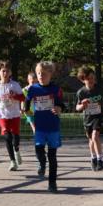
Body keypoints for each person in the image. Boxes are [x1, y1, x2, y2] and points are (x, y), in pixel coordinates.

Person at [24, 61, 66, 192]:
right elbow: (27, 101)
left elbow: (61, 105)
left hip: (53, 126)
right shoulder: (33, 89)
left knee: (52, 156)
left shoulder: (56, 89)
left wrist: (59, 108)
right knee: (39, 151)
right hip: (40, 127)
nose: (41, 76)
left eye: (44, 73)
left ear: (50, 74)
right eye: (38, 73)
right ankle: (42, 163)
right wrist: (25, 108)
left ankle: (52, 183)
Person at [0, 61, 25, 171]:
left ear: (10, 73)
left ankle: (17, 150)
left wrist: (15, 96)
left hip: (14, 114)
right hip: (3, 115)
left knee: (15, 138)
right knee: (7, 138)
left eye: (7, 71)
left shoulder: (15, 85)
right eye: (3, 71)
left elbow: (23, 98)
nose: (5, 73)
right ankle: (12, 162)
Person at [75, 66, 103, 171]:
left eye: (93, 78)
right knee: (91, 140)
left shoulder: (99, 88)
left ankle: (100, 160)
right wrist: (83, 106)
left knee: (95, 137)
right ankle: (93, 158)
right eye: (89, 79)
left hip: (98, 117)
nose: (92, 80)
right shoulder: (81, 92)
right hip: (88, 118)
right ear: (83, 80)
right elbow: (77, 108)